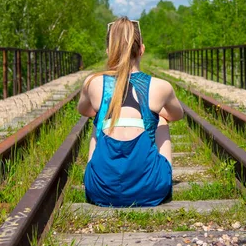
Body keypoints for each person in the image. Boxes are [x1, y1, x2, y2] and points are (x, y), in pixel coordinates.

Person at [77, 17, 184, 207]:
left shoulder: (92, 82)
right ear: (141, 50)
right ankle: (156, 176)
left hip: (100, 191)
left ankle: (96, 172)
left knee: (97, 121)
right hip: (151, 190)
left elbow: (84, 110)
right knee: (161, 121)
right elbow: (177, 115)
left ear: (109, 51)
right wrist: (153, 116)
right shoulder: (160, 86)